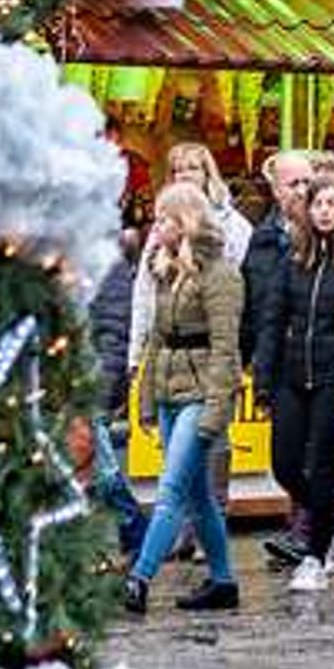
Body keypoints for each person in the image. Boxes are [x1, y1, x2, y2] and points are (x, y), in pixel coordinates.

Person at [121, 183, 245, 617]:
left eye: (164, 218)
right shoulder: (165, 268)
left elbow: (227, 349)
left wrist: (215, 411)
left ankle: (140, 577)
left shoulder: (221, 274)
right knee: (197, 497)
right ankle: (224, 581)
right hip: (172, 390)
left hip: (201, 392)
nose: (156, 226)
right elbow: (158, 338)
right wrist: (148, 402)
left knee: (171, 488)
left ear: (186, 221)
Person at [263, 163, 334, 597]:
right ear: (306, 212)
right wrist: (265, 381)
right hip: (292, 373)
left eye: (332, 203)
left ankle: (314, 557)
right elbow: (273, 321)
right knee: (285, 465)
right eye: (317, 204)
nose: (325, 211)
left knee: (320, 467)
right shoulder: (292, 260)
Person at [239, 152, 324, 569]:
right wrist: (247, 355)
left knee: (311, 453)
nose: (304, 191)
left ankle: (306, 533)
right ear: (275, 190)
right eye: (294, 184)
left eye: (308, 181)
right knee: (286, 456)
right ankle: (312, 523)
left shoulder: (330, 231)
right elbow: (252, 300)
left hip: (320, 360)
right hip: (277, 362)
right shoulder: (262, 238)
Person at [83, 218, 147, 552]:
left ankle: (136, 530)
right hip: (68, 376)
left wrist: (105, 384)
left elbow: (115, 328)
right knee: (95, 463)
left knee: (102, 466)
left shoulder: (106, 261)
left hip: (90, 378)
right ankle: (133, 532)